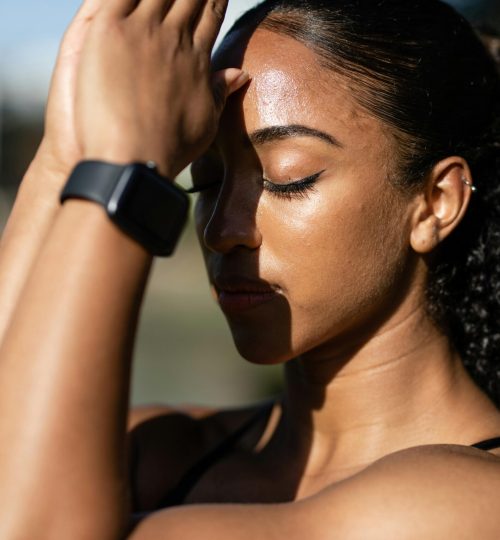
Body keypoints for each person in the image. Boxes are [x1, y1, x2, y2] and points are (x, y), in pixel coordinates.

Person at [0, 0, 500, 537]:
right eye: (205, 181)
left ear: (435, 201)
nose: (222, 229)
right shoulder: (158, 450)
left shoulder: (465, 501)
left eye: (289, 177)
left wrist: (122, 168)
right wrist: (68, 147)